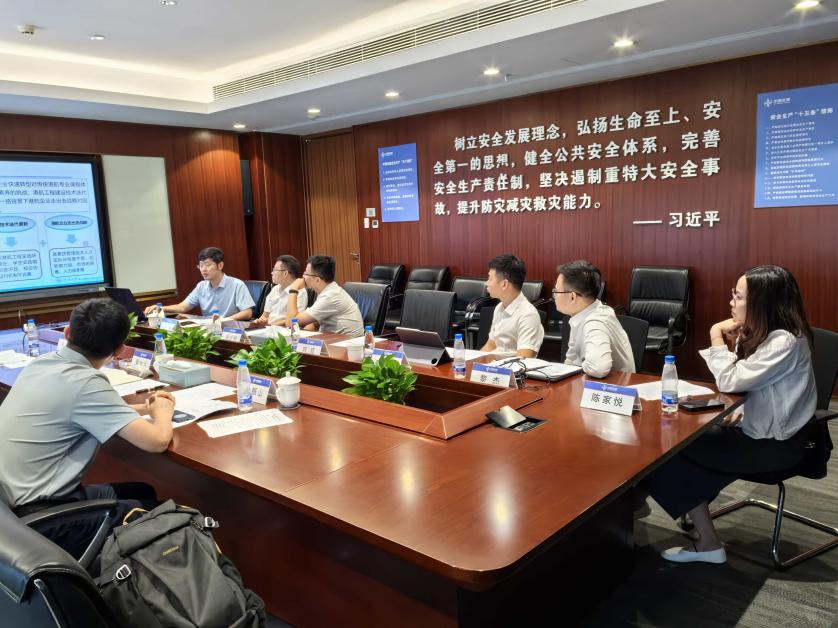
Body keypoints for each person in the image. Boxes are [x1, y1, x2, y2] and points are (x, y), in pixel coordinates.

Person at [645, 265, 817, 564]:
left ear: (763, 303)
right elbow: (758, 389)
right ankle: (693, 519)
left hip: (775, 446)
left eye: (738, 297)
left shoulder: (784, 341)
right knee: (671, 437)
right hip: (756, 431)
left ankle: (707, 542)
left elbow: (730, 381)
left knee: (663, 449)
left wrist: (715, 334)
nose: (731, 303)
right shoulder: (762, 334)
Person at [0, 298, 175, 558]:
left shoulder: (41, 364)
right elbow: (157, 441)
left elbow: (83, 409)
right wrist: (163, 412)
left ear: (67, 333)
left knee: (142, 491)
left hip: (10, 508)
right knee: (165, 513)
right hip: (41, 520)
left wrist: (142, 409)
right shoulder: (86, 382)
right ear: (119, 349)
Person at [554, 260, 634, 377]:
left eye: (556, 291)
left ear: (572, 297)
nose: (554, 296)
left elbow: (598, 368)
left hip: (613, 386)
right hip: (590, 383)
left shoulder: (596, 321)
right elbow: (571, 361)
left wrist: (579, 366)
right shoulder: (580, 314)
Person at [145, 246, 254, 320]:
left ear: (220, 265)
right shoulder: (201, 286)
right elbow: (182, 307)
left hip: (231, 329)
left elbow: (248, 312)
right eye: (201, 265)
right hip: (209, 330)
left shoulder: (237, 284)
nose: (203, 269)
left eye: (207, 265)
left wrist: (223, 321)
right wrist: (160, 308)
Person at [480, 254, 544, 357]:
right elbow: (490, 345)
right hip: (493, 365)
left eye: (490, 279)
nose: (486, 283)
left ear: (504, 284)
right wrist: (473, 362)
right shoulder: (499, 307)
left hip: (510, 367)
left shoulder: (528, 315)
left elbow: (523, 359)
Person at [285, 254, 364, 336]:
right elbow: (314, 321)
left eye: (306, 274)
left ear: (317, 280)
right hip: (334, 339)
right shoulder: (328, 290)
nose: (303, 276)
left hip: (348, 342)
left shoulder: (330, 296)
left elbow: (290, 322)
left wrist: (293, 289)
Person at [255, 255, 308, 325]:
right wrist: (260, 321)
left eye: (274, 270)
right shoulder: (275, 289)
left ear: (285, 273)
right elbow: (265, 315)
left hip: (285, 328)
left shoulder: (300, 292)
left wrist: (272, 325)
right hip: (269, 327)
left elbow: (295, 319)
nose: (271, 273)